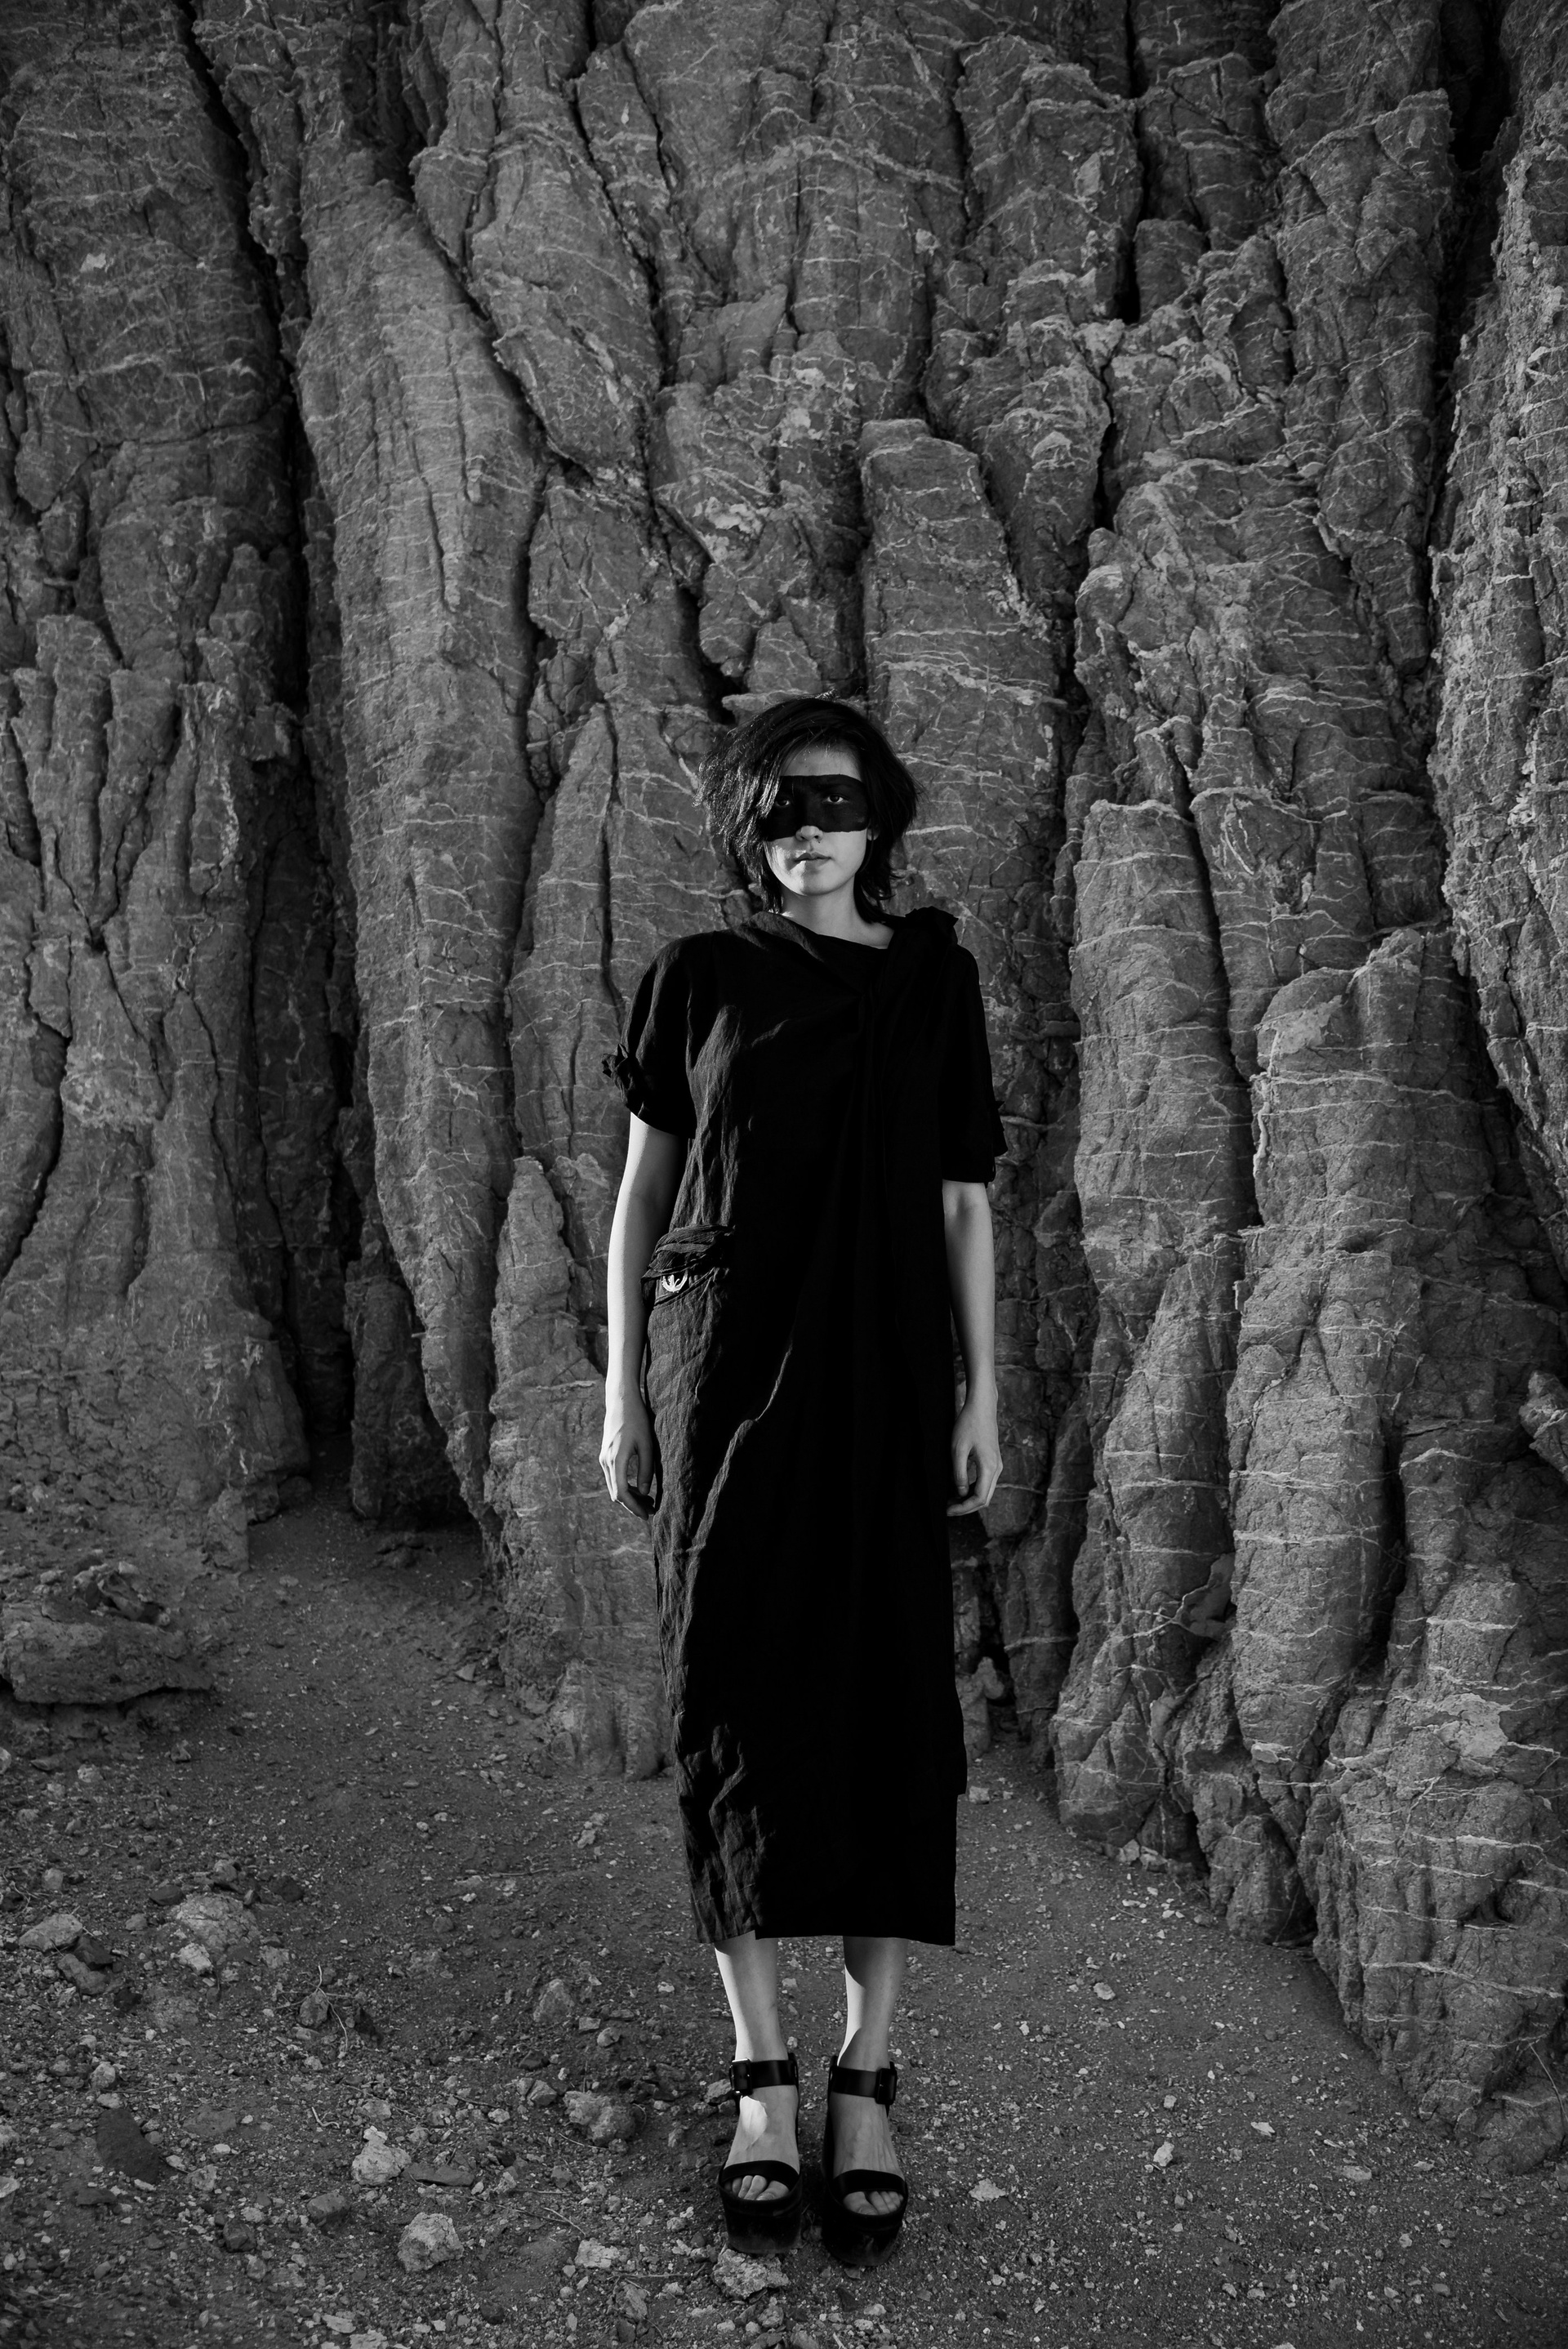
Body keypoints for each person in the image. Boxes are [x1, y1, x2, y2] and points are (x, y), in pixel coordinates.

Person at [599, 696, 1004, 2268]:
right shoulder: (699, 977)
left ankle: (867, 2080)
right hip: (725, 1389)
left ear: (880, 816)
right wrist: (623, 1391)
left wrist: (983, 1390)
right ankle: (762, 2079)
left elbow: (962, 1202)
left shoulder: (933, 982)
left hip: (888, 1385)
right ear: (747, 827)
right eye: (778, 807)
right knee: (738, 1704)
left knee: (890, 1712)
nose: (807, 832)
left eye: (834, 803)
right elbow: (643, 1198)